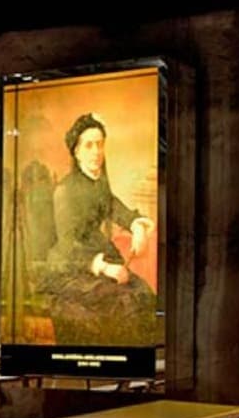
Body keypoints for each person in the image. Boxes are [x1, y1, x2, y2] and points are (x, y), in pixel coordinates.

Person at [44, 112, 161, 347]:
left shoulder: (98, 185)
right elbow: (68, 245)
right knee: (124, 301)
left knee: (144, 295)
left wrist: (136, 227)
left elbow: (119, 210)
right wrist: (104, 267)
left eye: (100, 144)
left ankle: (135, 374)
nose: (96, 151)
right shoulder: (65, 191)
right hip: (70, 269)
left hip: (97, 259)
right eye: (89, 145)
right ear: (76, 152)